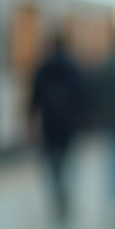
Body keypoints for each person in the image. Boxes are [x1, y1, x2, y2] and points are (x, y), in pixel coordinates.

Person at [30, 34, 89, 219]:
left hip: (49, 122)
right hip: (69, 122)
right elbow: (81, 95)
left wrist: (31, 120)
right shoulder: (73, 67)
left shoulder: (43, 67)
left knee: (53, 160)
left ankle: (57, 190)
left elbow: (35, 96)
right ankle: (66, 190)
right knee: (68, 159)